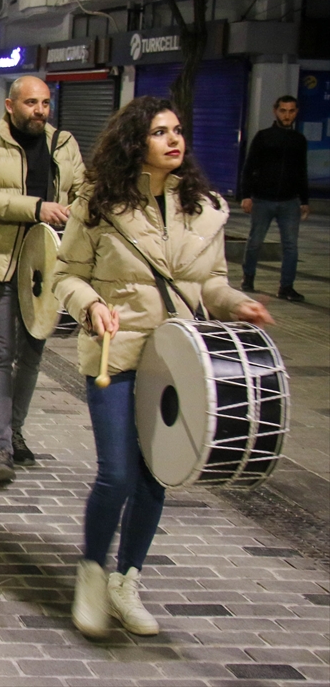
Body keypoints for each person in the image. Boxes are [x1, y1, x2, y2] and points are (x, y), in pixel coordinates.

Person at [53, 95, 273, 639]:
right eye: (159, 132)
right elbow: (65, 275)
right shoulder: (99, 202)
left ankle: (127, 580)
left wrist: (238, 303)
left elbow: (210, 284)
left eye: (177, 130)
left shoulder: (204, 207)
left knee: (155, 476)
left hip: (179, 359)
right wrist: (91, 305)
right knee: (117, 472)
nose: (173, 139)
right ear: (135, 142)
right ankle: (91, 574)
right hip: (117, 352)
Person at [0, 76, 86, 483]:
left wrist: (73, 213)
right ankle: (0, 446)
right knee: (0, 355)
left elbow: (84, 193)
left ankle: (15, 429)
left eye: (45, 103)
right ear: (11, 105)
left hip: (46, 266)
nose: (40, 110)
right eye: (32, 103)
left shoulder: (63, 144)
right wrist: (37, 208)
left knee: (32, 354)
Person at [240, 95, 310, 302]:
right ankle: (248, 278)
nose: (287, 115)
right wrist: (246, 196)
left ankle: (286, 287)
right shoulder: (263, 137)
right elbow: (249, 167)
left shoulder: (299, 140)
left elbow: (301, 171)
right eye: (283, 111)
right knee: (255, 242)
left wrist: (304, 200)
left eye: (291, 111)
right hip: (263, 200)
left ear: (296, 112)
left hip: (289, 201)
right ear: (275, 111)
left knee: (291, 246)